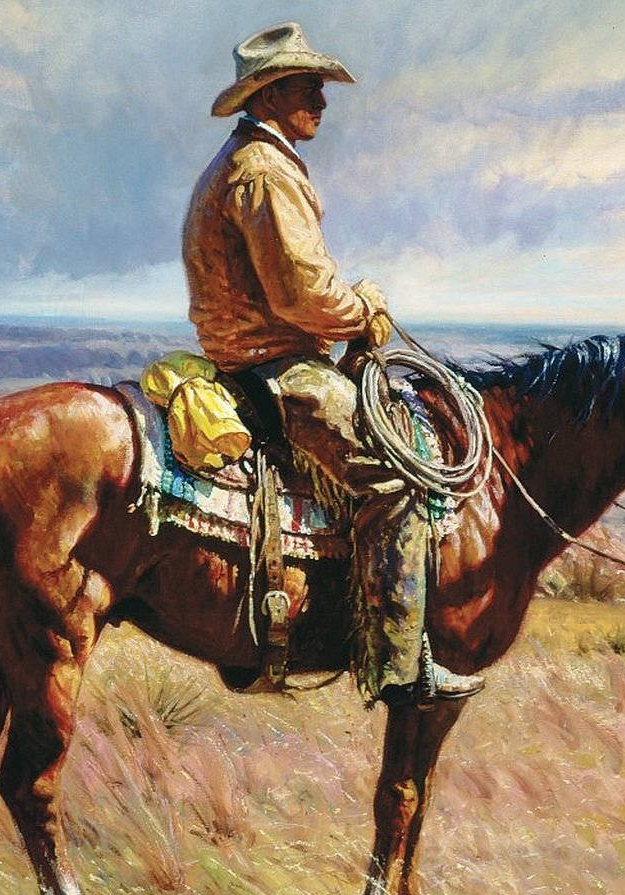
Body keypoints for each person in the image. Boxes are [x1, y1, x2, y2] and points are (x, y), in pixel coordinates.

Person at [182, 22, 483, 707]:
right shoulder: (263, 172)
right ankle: (399, 668)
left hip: (256, 357)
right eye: (308, 86)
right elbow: (302, 295)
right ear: (269, 94)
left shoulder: (253, 162)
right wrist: (364, 307)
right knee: (398, 479)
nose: (322, 99)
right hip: (277, 367)